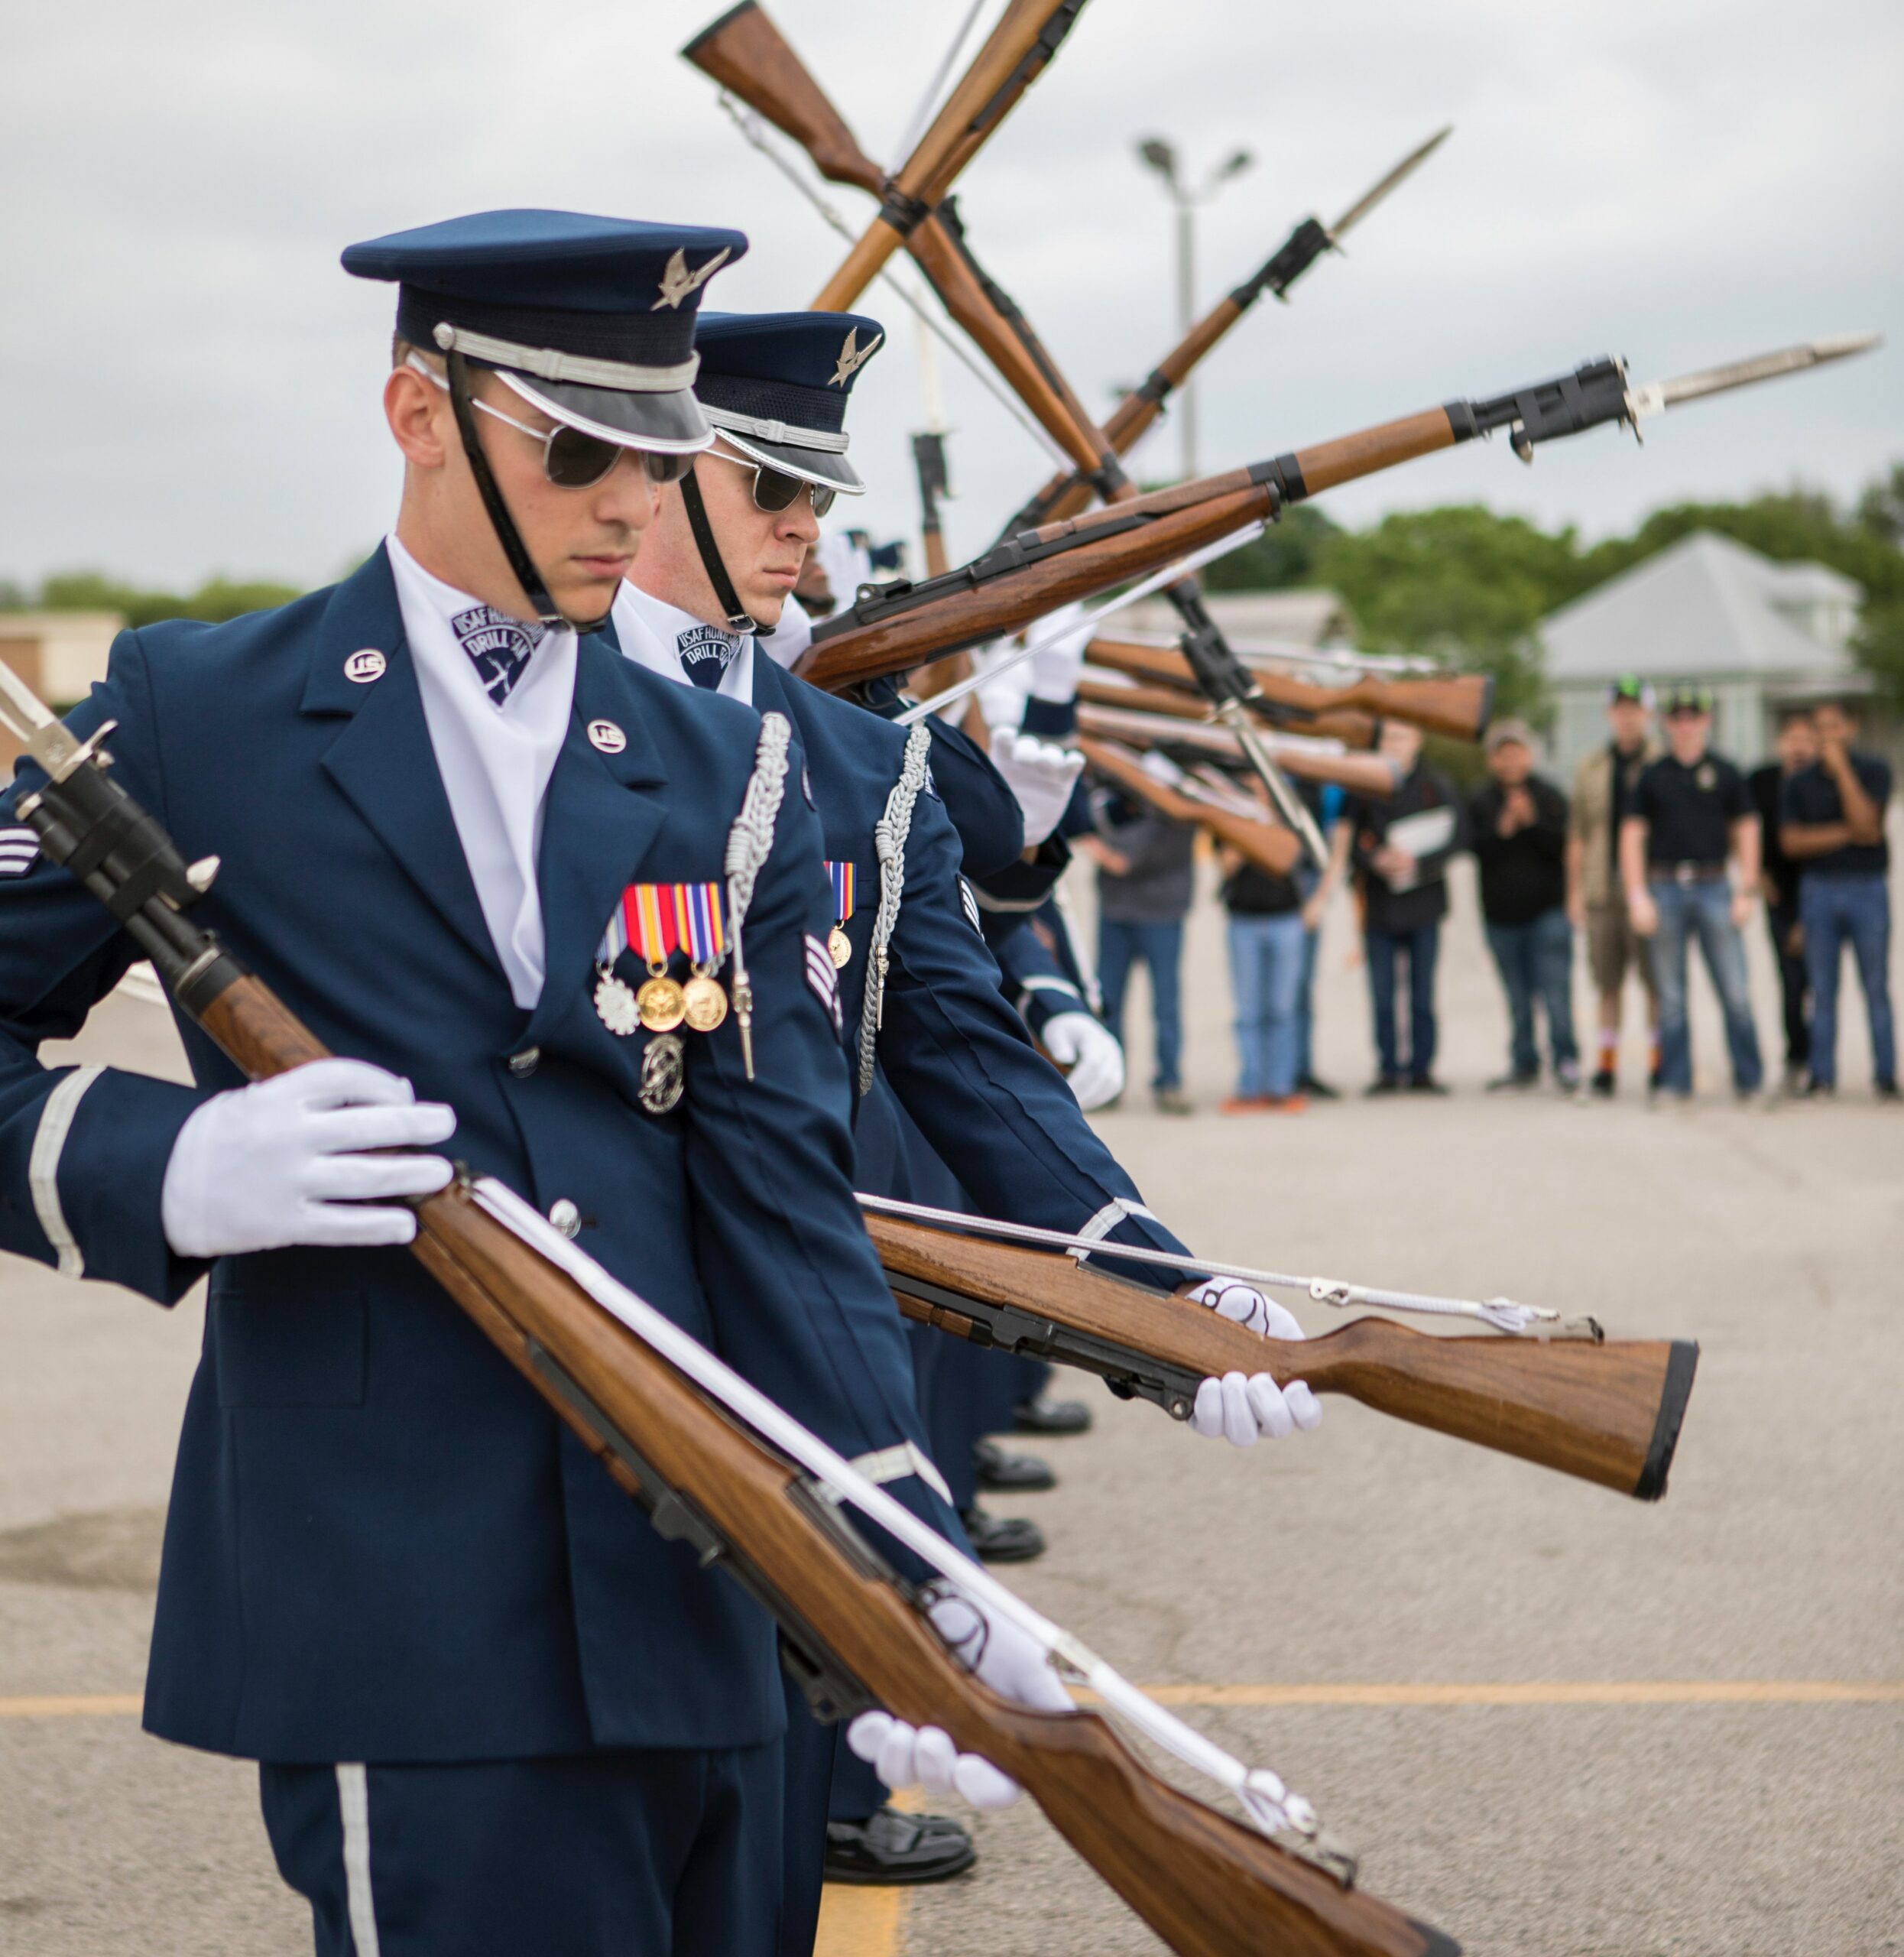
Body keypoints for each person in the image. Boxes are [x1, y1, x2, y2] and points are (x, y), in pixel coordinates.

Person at [0, 210, 1015, 1957]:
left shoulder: (733, 758)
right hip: (402, 1602)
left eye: (665, 447)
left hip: (713, 1591)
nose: (634, 496)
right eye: (582, 446)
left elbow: (774, 1186)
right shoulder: (200, 710)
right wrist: (165, 1162)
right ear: (418, 413)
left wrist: (903, 1537)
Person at [605, 308, 1322, 1929]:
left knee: (759, 1887)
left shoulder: (861, 765)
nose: (806, 524)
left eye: (816, 491)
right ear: (657, 476)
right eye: (770, 482)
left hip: (800, 1418)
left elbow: (969, 1056)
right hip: (552, 1412)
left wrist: (1156, 1287)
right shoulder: (505, 706)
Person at [1620, 685, 1764, 1101]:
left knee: (1735, 991)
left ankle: (1750, 1080)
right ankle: (1676, 1082)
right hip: (1665, 887)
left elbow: (1747, 828)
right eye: (1677, 717)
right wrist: (1636, 894)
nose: (1685, 725)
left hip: (1715, 886)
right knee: (1671, 997)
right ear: (1666, 723)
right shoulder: (1652, 775)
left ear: (1706, 720)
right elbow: (1632, 835)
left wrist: (1747, 889)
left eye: (1693, 716)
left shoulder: (1726, 771)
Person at [1319, 722, 1461, 1093]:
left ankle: (1421, 1070)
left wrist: (1420, 864)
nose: (1394, 744)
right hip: (1379, 906)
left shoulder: (1436, 785)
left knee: (1422, 994)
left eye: (1401, 736)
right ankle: (1387, 1068)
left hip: (1424, 903)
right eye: (1387, 739)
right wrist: (1374, 860)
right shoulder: (1363, 787)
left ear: (1418, 739)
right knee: (1382, 995)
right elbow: (1347, 841)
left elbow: (1459, 836)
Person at [1781, 699, 1896, 1098]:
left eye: (1835, 727)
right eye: (1820, 729)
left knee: (1875, 985)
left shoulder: (1873, 771)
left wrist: (1842, 772)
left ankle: (1885, 1075)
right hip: (1820, 890)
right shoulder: (1798, 783)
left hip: (1867, 887)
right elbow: (1792, 841)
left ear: (1851, 728)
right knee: (1823, 989)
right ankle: (1822, 1074)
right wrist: (1847, 833)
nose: (1827, 736)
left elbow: (1870, 826)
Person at [1468, 719, 1579, 1091]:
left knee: (1555, 992)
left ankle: (1566, 1059)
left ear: (1529, 756)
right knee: (1517, 996)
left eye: (1517, 753)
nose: (1511, 761)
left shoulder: (1549, 796)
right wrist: (1503, 828)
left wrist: (1531, 822)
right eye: (1503, 754)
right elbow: (1474, 849)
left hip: (1547, 912)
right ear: (1492, 760)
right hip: (1501, 916)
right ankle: (1524, 1061)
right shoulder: (1481, 800)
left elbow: (1563, 846)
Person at [1075, 790, 1197, 1114]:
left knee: (1165, 1005)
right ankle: (1110, 1083)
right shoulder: (1112, 793)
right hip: (1117, 912)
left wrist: (1094, 844)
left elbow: (1125, 861)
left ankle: (1169, 1082)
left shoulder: (1176, 797)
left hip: (1161, 913)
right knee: (1109, 1003)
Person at [1567, 677, 1659, 1096]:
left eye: (1634, 709)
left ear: (1647, 713)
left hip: (1650, 887)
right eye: (1620, 709)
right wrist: (1574, 892)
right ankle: (1606, 1066)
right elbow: (1579, 833)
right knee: (1606, 981)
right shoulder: (1592, 766)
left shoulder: (1662, 762)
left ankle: (1660, 1064)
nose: (1627, 717)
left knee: (1656, 982)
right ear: (1610, 714)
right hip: (1602, 886)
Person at [1217, 781, 1309, 1113]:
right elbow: (1225, 865)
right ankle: (1250, 1086)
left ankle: (1282, 1087)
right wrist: (1248, 831)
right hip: (1243, 920)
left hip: (1286, 917)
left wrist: (1273, 824)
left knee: (1283, 1008)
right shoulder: (1228, 814)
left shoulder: (1292, 815)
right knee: (1248, 1010)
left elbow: (1303, 857)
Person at [1750, 711, 1818, 1092]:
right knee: (1790, 983)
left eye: (1806, 738)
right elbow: (1742, 827)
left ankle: (1820, 1063)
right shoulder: (1761, 780)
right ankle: (1796, 1057)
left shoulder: (1823, 782)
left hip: (1820, 891)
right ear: (1779, 743)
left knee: (1819, 983)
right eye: (1791, 737)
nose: (1798, 746)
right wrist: (1756, 874)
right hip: (1779, 893)